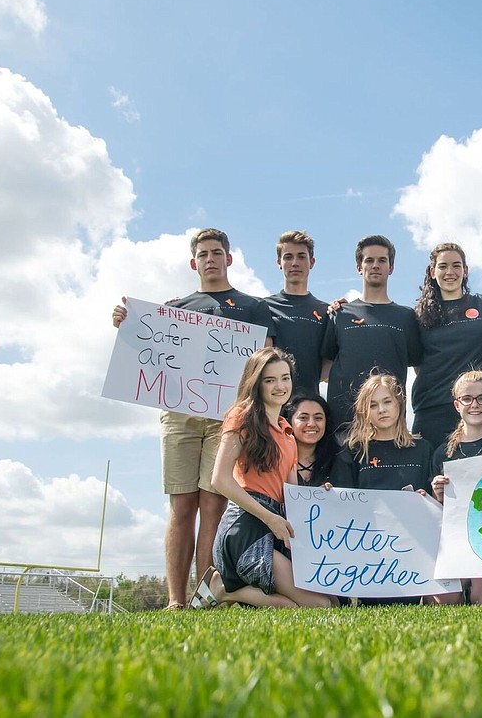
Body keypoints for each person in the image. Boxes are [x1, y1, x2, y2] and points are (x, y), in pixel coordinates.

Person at [110, 227, 275, 610]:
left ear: (229, 258)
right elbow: (146, 345)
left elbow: (265, 355)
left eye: (217, 252)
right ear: (193, 262)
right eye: (203, 254)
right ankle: (176, 600)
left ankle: (207, 599)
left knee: (214, 504)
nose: (211, 259)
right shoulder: (177, 308)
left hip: (227, 418)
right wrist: (127, 322)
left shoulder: (253, 307)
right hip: (180, 415)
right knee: (181, 505)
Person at [190, 347, 334, 609]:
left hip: (276, 526)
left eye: (285, 378)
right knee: (320, 607)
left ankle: (224, 590)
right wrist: (269, 518)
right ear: (256, 383)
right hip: (246, 526)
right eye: (270, 380)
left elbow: (292, 495)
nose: (280, 386)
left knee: (329, 602)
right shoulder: (241, 417)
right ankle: (225, 589)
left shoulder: (288, 434)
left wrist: (318, 496)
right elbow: (219, 479)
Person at [335, 372, 435, 606]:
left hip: (413, 554)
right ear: (364, 411)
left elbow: (434, 501)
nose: (381, 410)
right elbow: (342, 504)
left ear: (399, 404)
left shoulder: (422, 448)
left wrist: (426, 498)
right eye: (373, 405)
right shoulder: (354, 450)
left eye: (387, 402)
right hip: (369, 556)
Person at [321, 235, 422, 431]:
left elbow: (420, 369)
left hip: (389, 427)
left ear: (391, 268)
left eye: (382, 260)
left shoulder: (406, 317)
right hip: (343, 427)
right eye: (369, 260)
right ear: (359, 267)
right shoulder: (340, 314)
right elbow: (325, 370)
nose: (375, 265)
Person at [412, 243, 482, 449]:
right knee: (432, 478)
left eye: (456, 266)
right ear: (432, 271)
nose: (449, 272)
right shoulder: (417, 316)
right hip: (431, 410)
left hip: (477, 408)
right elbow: (416, 362)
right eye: (443, 266)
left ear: (465, 271)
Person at [429, 370, 482, 605]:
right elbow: (435, 511)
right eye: (467, 399)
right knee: (443, 599)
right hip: (454, 538)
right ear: (457, 405)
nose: (475, 405)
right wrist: (437, 496)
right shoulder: (443, 452)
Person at [264, 231, 330, 395]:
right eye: (288, 257)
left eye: (301, 256)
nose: (294, 263)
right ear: (279, 262)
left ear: (312, 262)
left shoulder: (326, 312)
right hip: (270, 408)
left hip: (308, 409)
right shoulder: (263, 307)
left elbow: (328, 369)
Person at [283, 392, 352, 489]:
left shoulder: (340, 459)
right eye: (303, 418)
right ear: (289, 421)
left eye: (318, 418)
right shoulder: (277, 458)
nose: (311, 424)